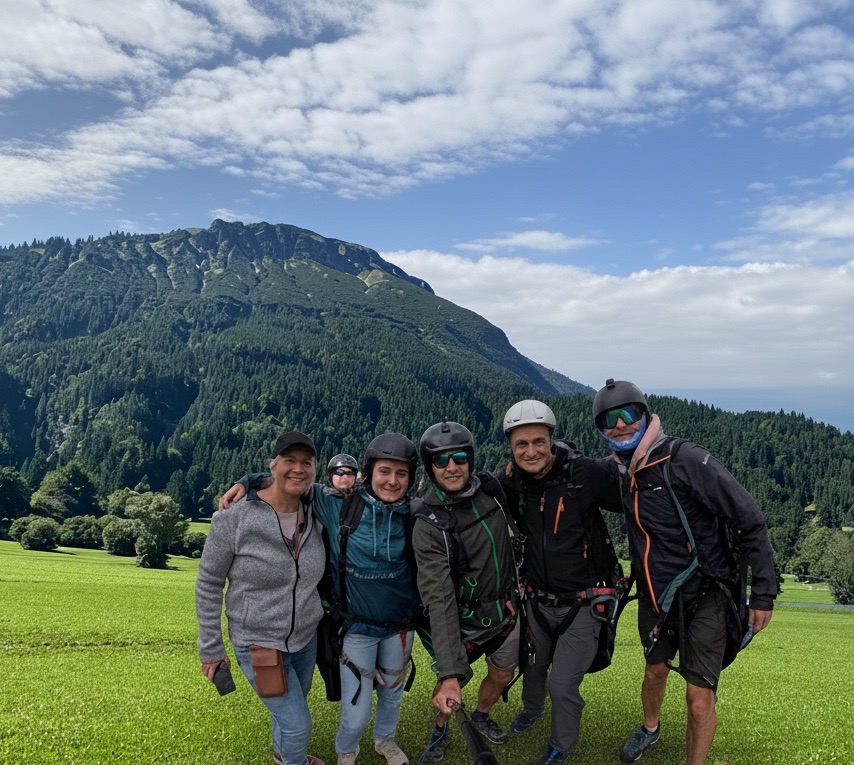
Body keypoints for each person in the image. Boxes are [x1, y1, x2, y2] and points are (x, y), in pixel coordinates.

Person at [592, 379, 776, 765]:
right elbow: (569, 471)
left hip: (707, 593)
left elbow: (750, 520)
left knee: (698, 698)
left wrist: (763, 593)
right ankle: (651, 728)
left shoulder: (686, 460)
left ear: (645, 415)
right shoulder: (621, 473)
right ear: (601, 429)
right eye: (609, 419)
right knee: (655, 671)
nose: (620, 424)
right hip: (654, 596)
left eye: (628, 414)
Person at [220, 434, 420, 765]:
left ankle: (385, 740)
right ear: (369, 473)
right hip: (357, 628)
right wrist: (249, 481)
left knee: (392, 693)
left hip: (400, 626)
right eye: (385, 471)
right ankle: (347, 752)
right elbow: (294, 483)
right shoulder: (337, 504)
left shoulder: (414, 513)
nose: (393, 481)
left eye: (402, 474)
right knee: (356, 709)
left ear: (411, 478)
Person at [498, 400, 622, 765]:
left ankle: (561, 745)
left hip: (585, 601)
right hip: (537, 600)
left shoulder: (584, 473)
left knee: (563, 683)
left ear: (551, 440)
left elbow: (634, 499)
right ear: (511, 447)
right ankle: (532, 709)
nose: (530, 451)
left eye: (538, 442)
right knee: (533, 665)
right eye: (521, 444)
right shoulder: (511, 482)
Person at [196, 431, 327, 765]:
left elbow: (354, 489)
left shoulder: (316, 508)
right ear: (274, 465)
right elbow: (209, 583)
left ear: (314, 470)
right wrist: (211, 648)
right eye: (289, 461)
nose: (298, 469)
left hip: (304, 640)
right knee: (298, 726)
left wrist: (247, 479)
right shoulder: (234, 517)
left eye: (306, 463)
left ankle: (283, 757)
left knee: (288, 714)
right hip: (259, 644)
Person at [411, 421, 522, 762]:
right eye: (441, 461)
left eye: (459, 457)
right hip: (461, 620)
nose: (451, 467)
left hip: (505, 611)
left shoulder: (491, 492)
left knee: (503, 672)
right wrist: (448, 672)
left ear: (470, 460)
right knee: (451, 685)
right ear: (430, 467)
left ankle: (482, 715)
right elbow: (438, 597)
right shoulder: (428, 522)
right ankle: (441, 729)